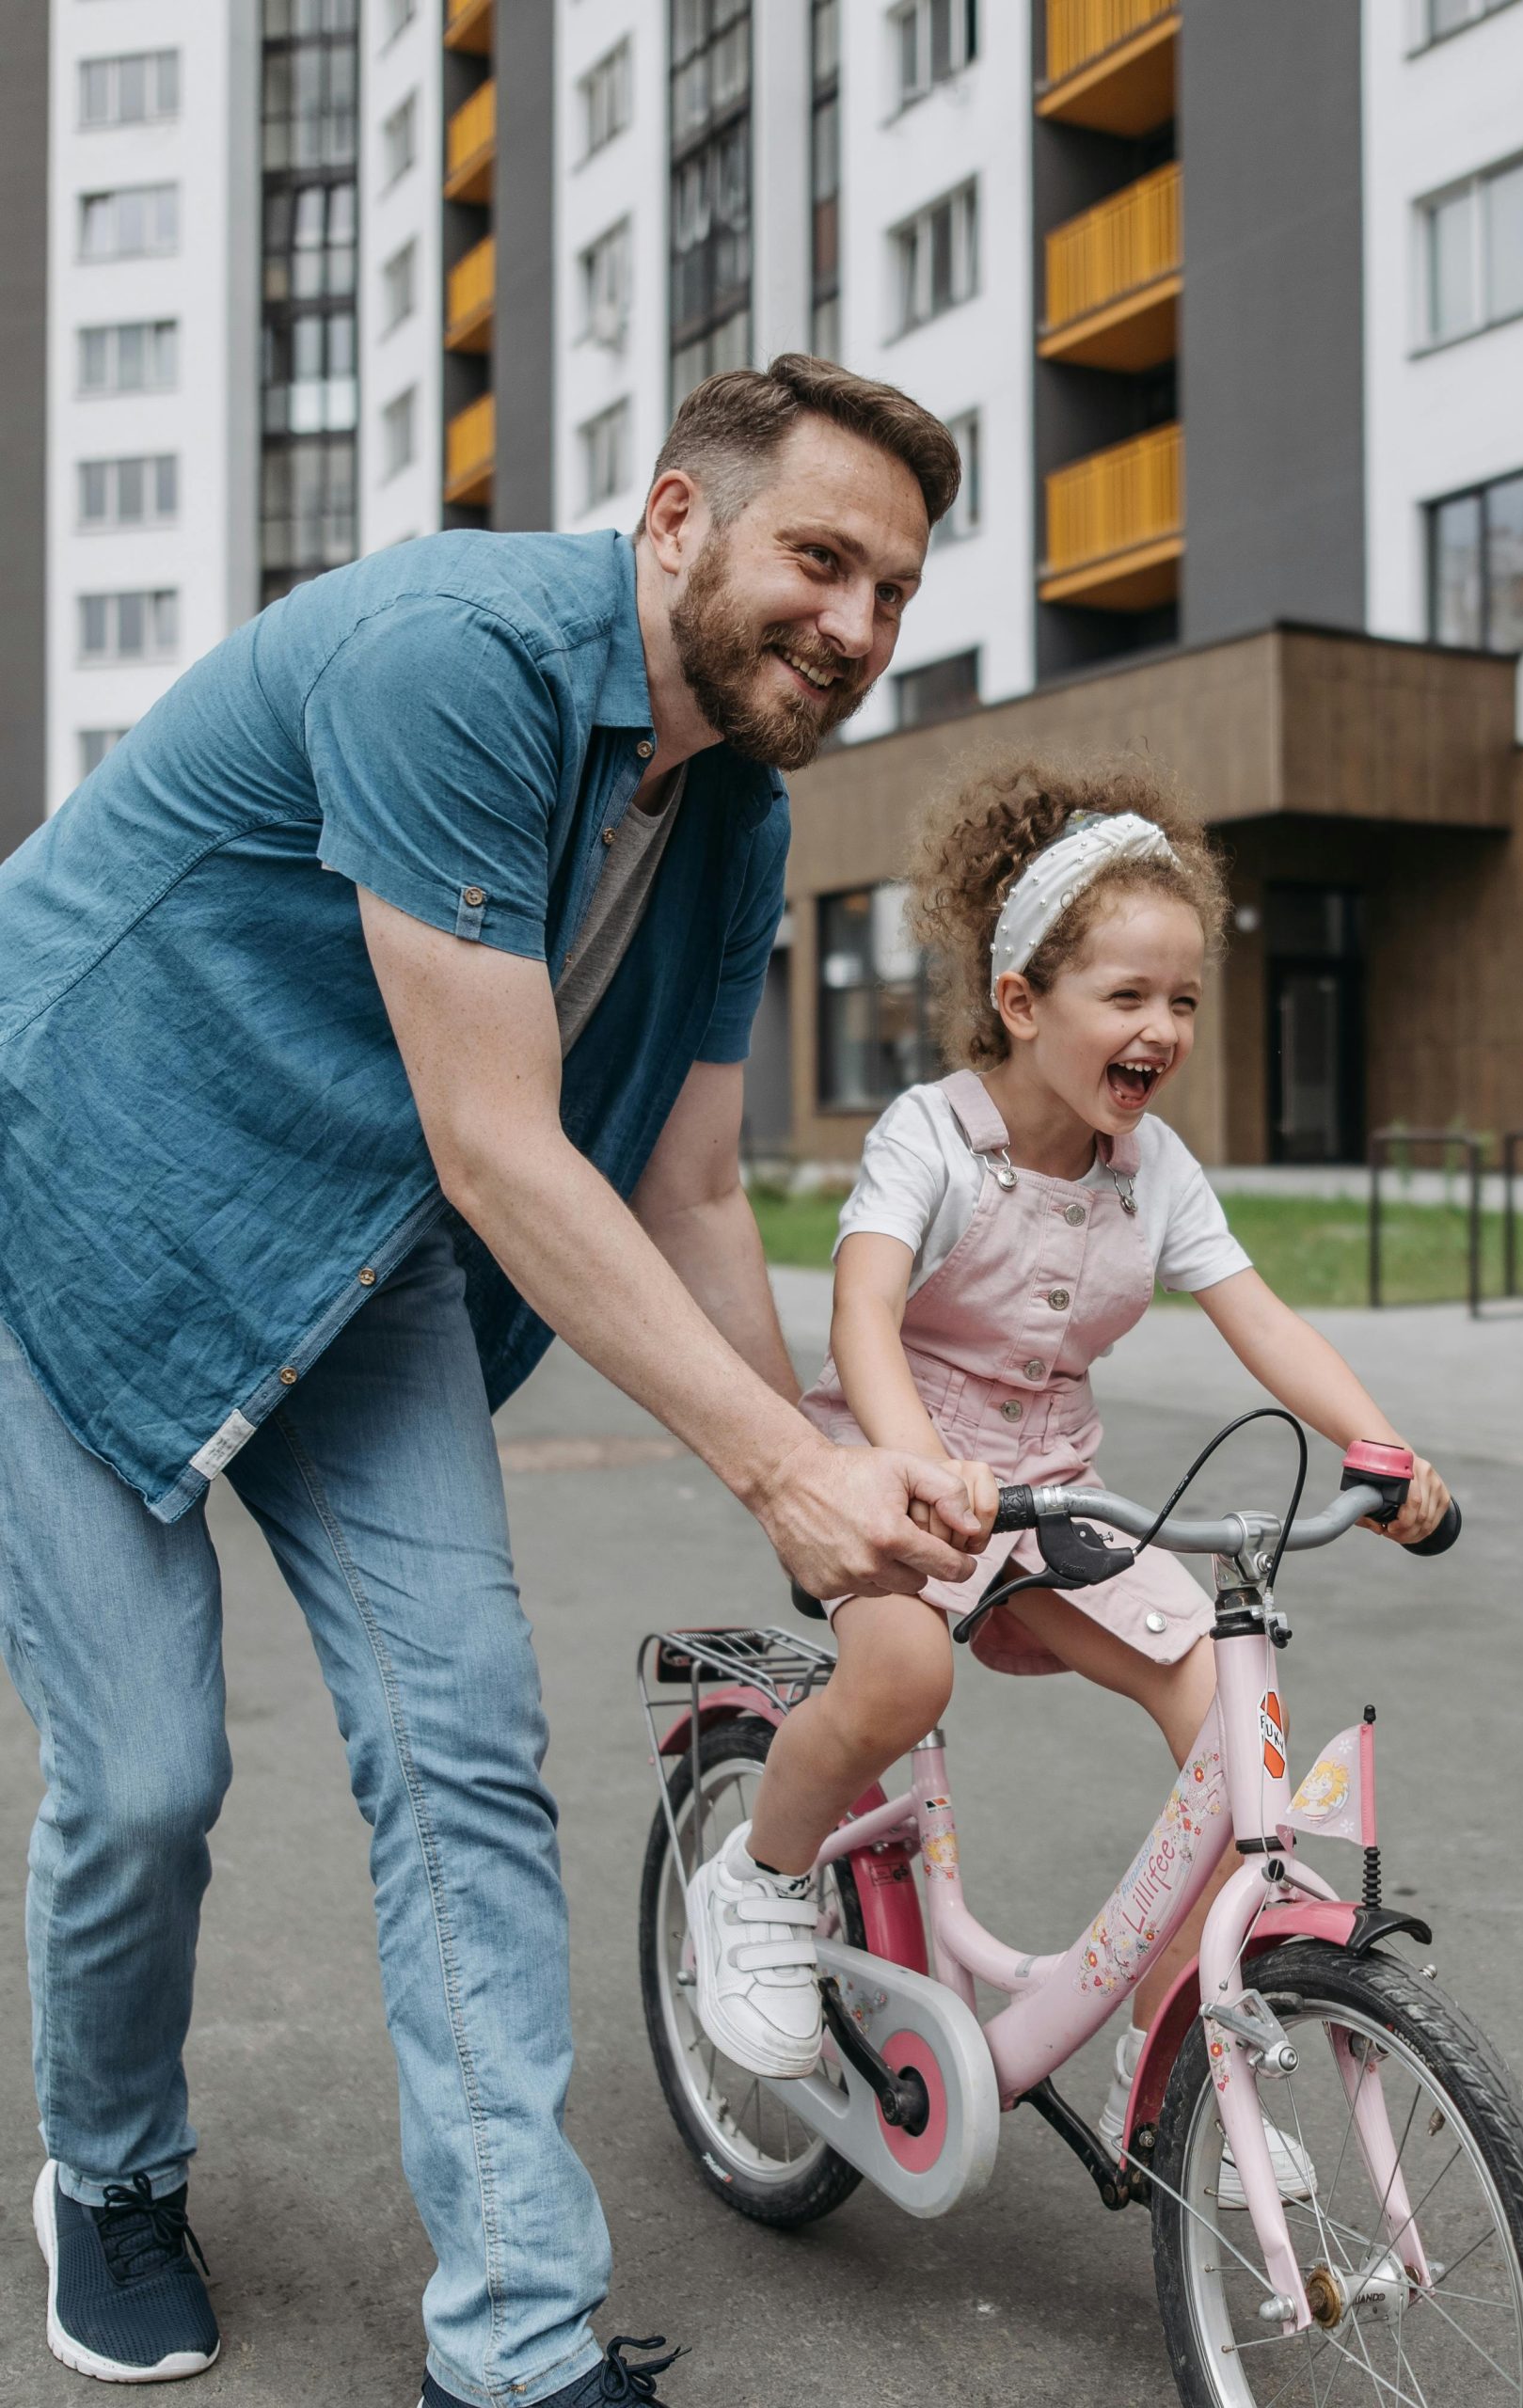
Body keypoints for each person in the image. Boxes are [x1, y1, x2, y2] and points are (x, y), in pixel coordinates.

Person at [0, 357, 992, 2405]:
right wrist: (783, 1483)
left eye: (894, 587)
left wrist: (816, 1484)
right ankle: (108, 2169)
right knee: (150, 1771)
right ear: (672, 520)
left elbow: (698, 1181)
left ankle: (517, 2347)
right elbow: (502, 1142)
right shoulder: (458, 654)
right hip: (60, 1182)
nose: (860, 623)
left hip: (350, 1244)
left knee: (463, 1742)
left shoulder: (736, 818)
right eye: (822, 556)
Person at [688, 760, 1451, 2177]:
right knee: (901, 1677)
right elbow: (860, 1311)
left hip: (1051, 1503)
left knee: (1232, 1726)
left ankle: (1186, 2044)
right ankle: (759, 1882)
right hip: (889, 1467)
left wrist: (1382, 1448)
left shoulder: (1151, 1167)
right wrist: (913, 1472)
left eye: (1182, 1002)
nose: (1159, 1029)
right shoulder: (931, 1134)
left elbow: (1257, 1316)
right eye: (1125, 997)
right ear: (1023, 1002)